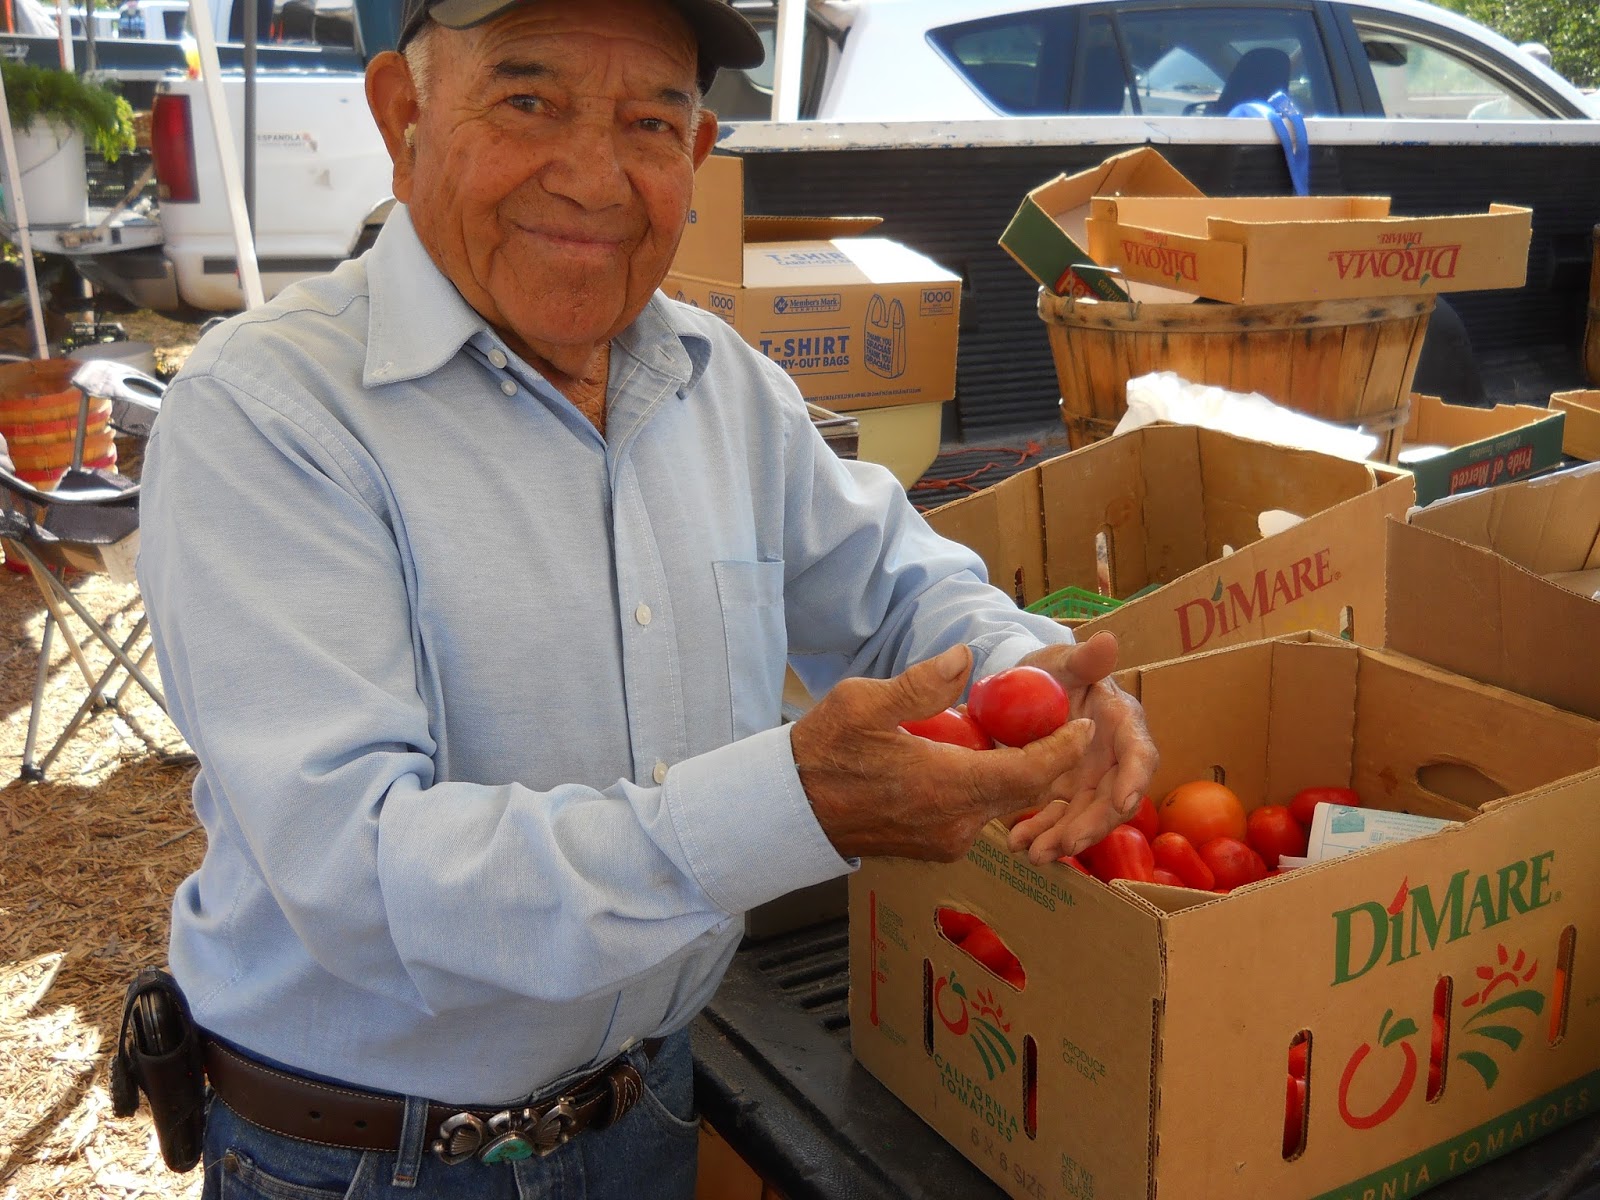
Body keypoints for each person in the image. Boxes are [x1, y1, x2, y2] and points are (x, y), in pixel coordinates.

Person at [134, 0, 1159, 1195]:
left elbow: (899, 590)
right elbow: (359, 879)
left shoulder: (723, 387)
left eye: (647, 124)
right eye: (528, 102)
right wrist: (792, 807)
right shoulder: (270, 411)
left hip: (649, 1107)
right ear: (402, 116)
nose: (592, 177)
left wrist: (1037, 678)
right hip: (374, 1160)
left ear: (697, 156)